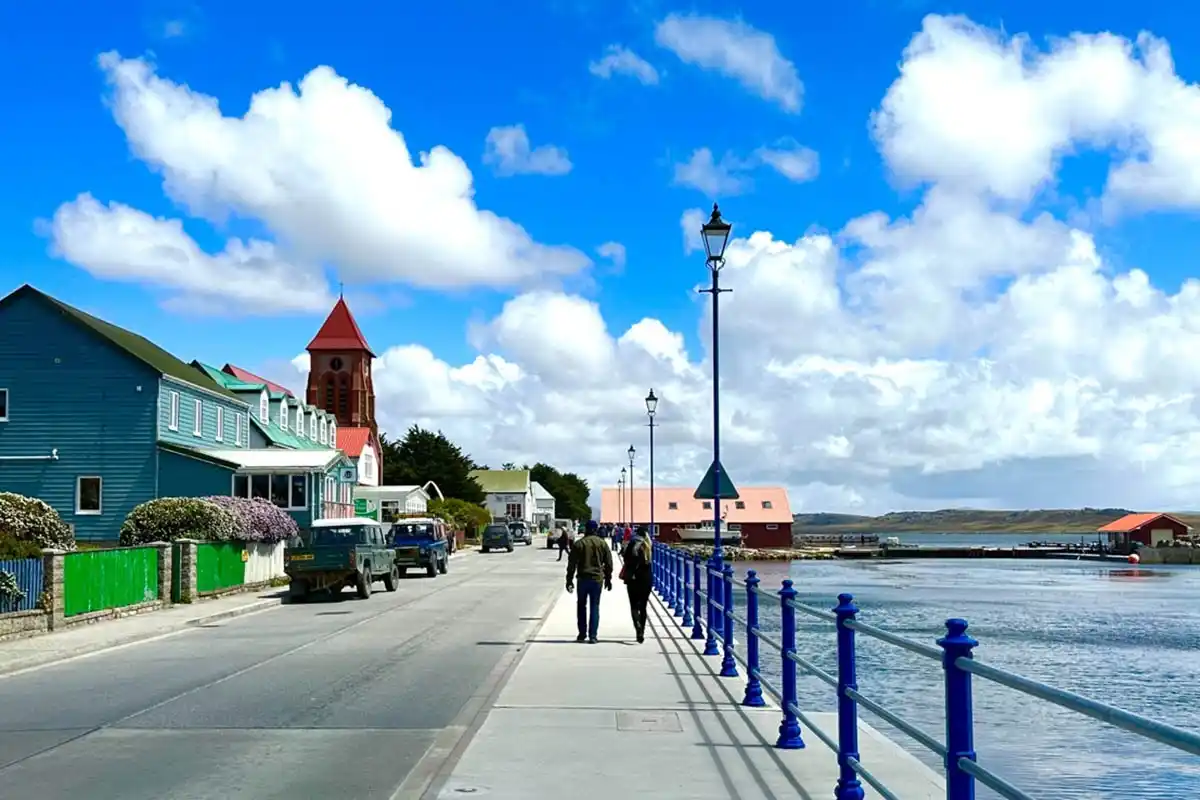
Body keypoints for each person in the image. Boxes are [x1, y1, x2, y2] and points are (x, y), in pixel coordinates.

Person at [566, 520, 613, 644]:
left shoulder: (579, 544)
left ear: (585, 529)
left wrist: (569, 580)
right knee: (595, 606)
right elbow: (609, 563)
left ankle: (582, 634)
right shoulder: (602, 544)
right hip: (597, 579)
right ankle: (593, 636)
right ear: (596, 530)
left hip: (582, 579)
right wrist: (608, 579)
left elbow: (571, 564)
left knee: (581, 606)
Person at [621, 525, 653, 643]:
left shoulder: (632, 544)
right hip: (646, 579)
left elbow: (626, 558)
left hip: (633, 578)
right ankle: (642, 631)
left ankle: (638, 628)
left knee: (634, 606)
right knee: (643, 607)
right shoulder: (649, 545)